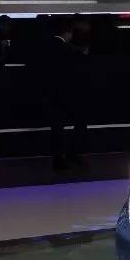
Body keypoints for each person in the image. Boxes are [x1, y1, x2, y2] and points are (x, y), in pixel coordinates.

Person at [44, 17, 86, 171]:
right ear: (68, 32)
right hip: (66, 94)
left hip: (52, 94)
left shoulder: (48, 46)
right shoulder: (68, 49)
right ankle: (72, 153)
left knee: (57, 127)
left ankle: (58, 158)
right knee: (80, 122)